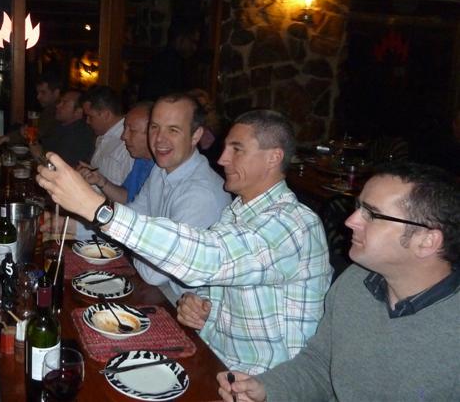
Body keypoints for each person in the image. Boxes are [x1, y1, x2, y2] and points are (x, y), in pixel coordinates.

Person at [37, 109, 331, 372]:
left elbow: (207, 257)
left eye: (237, 149)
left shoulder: (291, 225)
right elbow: (225, 278)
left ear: (273, 157)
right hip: (217, 360)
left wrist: (97, 208)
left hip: (265, 382)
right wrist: (203, 306)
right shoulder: (236, 212)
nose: (222, 159)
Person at [216, 162, 460, 402]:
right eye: (358, 207)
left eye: (371, 214)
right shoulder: (357, 281)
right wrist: (267, 389)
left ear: (426, 241)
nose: (350, 221)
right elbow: (322, 364)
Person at [128, 94, 230, 301]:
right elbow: (132, 214)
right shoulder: (161, 169)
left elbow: (153, 274)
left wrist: (125, 236)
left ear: (196, 135)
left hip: (191, 306)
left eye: (173, 130)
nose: (159, 139)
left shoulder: (201, 195)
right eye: (154, 127)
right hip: (165, 290)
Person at [75, 85, 133, 240]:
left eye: (90, 116)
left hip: (112, 226)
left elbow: (129, 198)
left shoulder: (128, 143)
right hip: (90, 213)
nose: (87, 121)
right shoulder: (103, 137)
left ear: (106, 114)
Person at [79, 101, 154, 204]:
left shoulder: (163, 168)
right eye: (125, 129)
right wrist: (100, 180)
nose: (123, 136)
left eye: (132, 130)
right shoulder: (142, 161)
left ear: (154, 133)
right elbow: (127, 197)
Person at [0, 72, 62, 152]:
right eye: (38, 93)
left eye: (43, 92)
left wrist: (3, 139)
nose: (38, 97)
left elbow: (38, 131)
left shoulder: (57, 111)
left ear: (56, 93)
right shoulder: (49, 110)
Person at [34, 89, 95, 168]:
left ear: (78, 112)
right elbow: (45, 144)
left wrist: (39, 155)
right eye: (60, 102)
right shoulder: (60, 125)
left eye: (64, 103)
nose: (58, 106)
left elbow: (60, 169)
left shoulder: (80, 135)